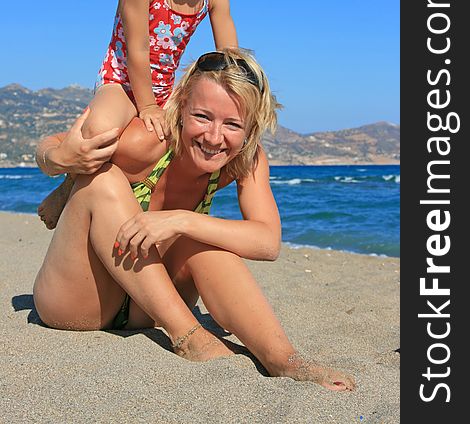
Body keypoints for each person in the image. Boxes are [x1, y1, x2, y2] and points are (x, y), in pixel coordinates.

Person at [33, 49, 355, 391]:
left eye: (232, 124)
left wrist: (181, 221)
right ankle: (189, 336)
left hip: (151, 310)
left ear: (251, 128)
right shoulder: (147, 141)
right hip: (80, 301)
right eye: (202, 116)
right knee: (101, 180)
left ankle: (281, 358)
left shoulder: (245, 160)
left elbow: (267, 241)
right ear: (182, 106)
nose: (214, 137)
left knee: (203, 241)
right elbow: (50, 145)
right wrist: (57, 157)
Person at [37, 0, 238, 229]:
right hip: (122, 77)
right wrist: (146, 105)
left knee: (165, 145)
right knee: (100, 129)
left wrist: (241, 101)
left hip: (166, 84)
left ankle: (150, 211)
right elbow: (137, 50)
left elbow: (231, 56)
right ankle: (69, 182)